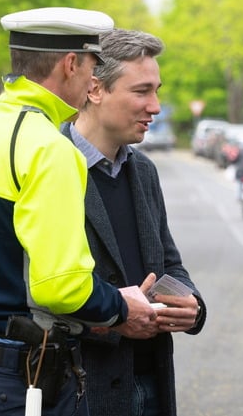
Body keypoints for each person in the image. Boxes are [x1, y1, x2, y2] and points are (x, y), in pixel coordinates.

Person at [0, 8, 156, 416]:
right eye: (92, 66)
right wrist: (123, 306)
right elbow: (60, 286)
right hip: (31, 380)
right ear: (71, 64)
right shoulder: (49, 148)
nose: (93, 81)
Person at [59, 28, 206, 416]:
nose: (155, 106)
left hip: (151, 384)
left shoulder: (143, 171)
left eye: (156, 91)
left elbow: (168, 265)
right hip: (80, 391)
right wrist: (112, 320)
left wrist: (191, 306)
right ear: (94, 89)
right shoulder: (49, 165)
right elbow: (33, 289)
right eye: (141, 92)